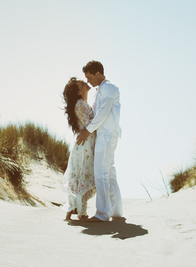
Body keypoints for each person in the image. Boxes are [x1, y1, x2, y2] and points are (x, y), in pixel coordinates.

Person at [76, 60, 123, 222]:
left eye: (89, 77)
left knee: (101, 173)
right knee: (109, 173)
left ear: (98, 73)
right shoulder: (101, 89)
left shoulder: (109, 87)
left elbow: (103, 112)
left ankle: (102, 214)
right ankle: (116, 212)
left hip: (107, 135)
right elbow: (95, 111)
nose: (88, 81)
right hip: (105, 135)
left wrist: (87, 131)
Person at [62, 77, 97, 221]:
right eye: (82, 84)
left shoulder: (83, 104)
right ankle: (82, 214)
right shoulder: (80, 104)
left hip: (85, 145)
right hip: (85, 146)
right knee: (84, 175)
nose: (86, 83)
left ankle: (71, 212)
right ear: (78, 91)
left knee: (80, 176)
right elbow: (89, 125)